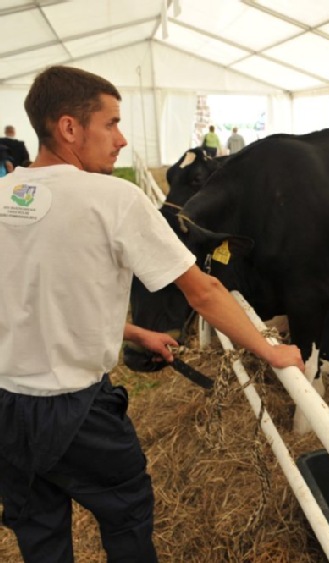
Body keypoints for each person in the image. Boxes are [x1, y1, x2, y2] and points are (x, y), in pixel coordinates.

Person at [0, 65, 304, 562]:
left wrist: (132, 330)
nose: (121, 140)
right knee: (127, 512)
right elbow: (202, 292)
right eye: (111, 123)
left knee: (38, 531)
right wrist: (268, 350)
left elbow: (31, 293)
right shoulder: (114, 198)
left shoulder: (5, 194)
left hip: (6, 409)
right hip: (77, 411)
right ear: (69, 128)